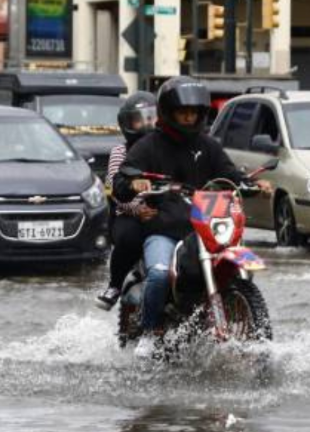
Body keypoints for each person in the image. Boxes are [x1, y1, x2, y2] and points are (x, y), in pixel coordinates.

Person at [112, 76, 272, 358]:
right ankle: (150, 332)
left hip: (204, 229)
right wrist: (135, 182)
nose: (188, 118)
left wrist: (252, 185)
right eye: (182, 112)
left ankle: (246, 329)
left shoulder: (208, 146)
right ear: (168, 113)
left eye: (194, 113)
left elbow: (229, 174)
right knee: (160, 276)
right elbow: (124, 176)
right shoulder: (148, 145)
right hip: (164, 230)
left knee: (233, 262)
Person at [95, 91, 158, 311]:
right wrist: (136, 209)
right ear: (128, 123)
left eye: (152, 117)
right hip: (128, 214)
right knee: (130, 237)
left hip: (165, 211)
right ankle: (114, 285)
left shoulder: (168, 148)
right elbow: (113, 189)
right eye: (140, 119)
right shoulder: (120, 152)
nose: (147, 124)